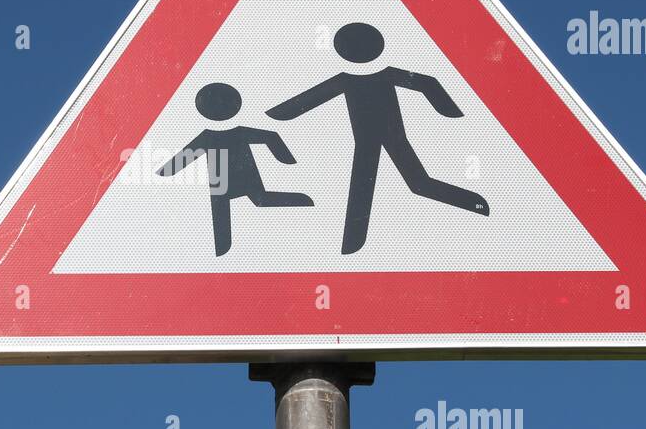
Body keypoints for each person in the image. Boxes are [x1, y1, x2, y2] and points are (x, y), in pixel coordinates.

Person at [267, 22, 489, 255]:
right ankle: (352, 244)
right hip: (371, 142)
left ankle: (473, 202)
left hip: (391, 138)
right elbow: (428, 84)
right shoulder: (361, 78)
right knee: (405, 184)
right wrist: (447, 110)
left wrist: (450, 110)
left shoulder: (358, 79)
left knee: (409, 184)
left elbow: (304, 102)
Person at [158, 83, 313, 256]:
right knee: (243, 204)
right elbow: (271, 137)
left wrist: (165, 172)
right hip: (230, 177)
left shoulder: (212, 136)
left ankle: (303, 201)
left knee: (240, 204)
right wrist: (285, 158)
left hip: (227, 178)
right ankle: (222, 251)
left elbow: (270, 137)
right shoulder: (227, 134)